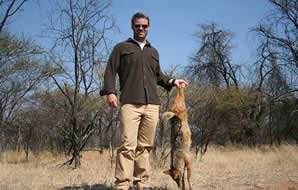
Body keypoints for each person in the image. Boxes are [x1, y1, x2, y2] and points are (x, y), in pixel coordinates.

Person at [100, 12, 188, 190]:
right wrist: (110, 92)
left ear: (149, 27)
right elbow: (110, 70)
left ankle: (142, 184)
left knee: (145, 147)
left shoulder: (153, 51)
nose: (141, 29)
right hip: (130, 103)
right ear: (132, 27)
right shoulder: (121, 48)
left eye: (144, 26)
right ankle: (122, 185)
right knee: (127, 146)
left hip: (152, 105)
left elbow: (158, 76)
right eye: (138, 26)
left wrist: (172, 81)